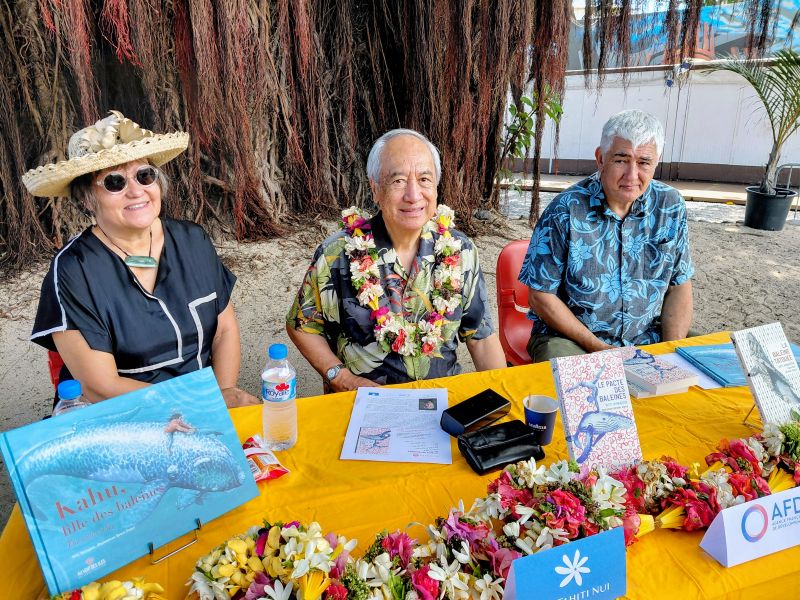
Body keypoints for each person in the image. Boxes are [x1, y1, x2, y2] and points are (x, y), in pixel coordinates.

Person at [24, 110, 259, 408]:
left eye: (144, 175)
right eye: (114, 182)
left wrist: (222, 395)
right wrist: (200, 402)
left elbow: (224, 330)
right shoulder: (74, 269)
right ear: (86, 199)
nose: (137, 191)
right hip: (122, 411)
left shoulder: (193, 240)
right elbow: (99, 387)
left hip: (204, 403)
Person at [287, 128, 506, 391]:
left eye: (424, 179)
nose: (413, 195)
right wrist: (341, 378)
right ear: (375, 188)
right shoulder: (337, 253)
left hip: (442, 402)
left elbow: (481, 338)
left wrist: (502, 395)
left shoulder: (461, 251)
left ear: (436, 185)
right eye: (398, 181)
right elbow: (302, 325)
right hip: (362, 403)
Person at [518, 109, 694, 362]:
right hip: (572, 339)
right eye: (621, 160)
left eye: (644, 162)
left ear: (657, 162)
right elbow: (540, 296)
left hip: (646, 335)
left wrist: (671, 352)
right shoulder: (565, 210)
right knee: (578, 386)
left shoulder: (670, 205)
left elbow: (679, 285)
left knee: (709, 366)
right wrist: (599, 348)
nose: (632, 175)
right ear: (600, 159)